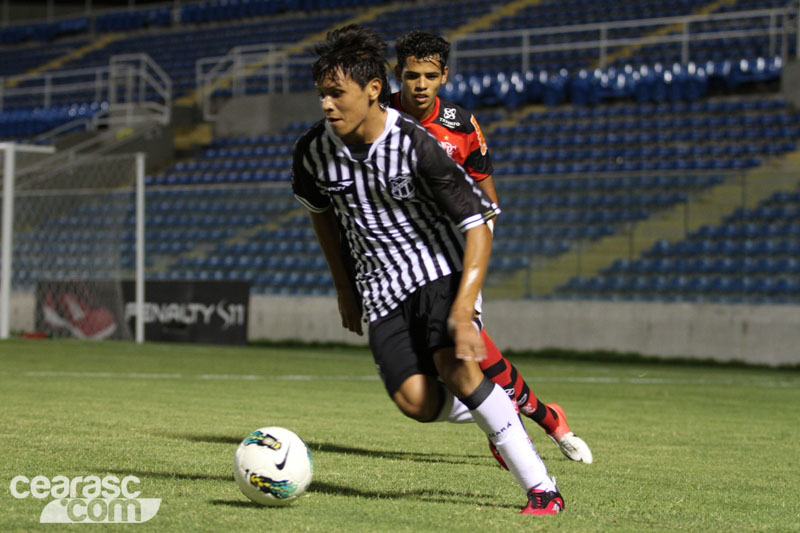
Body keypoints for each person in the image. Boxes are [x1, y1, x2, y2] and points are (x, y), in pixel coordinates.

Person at [292, 24, 564, 515]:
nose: (326, 105)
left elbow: (480, 222)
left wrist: (465, 305)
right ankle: (500, 410)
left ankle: (542, 489)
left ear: (373, 90)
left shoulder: (418, 145)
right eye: (322, 95)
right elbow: (322, 218)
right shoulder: (312, 153)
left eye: (337, 94)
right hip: (379, 288)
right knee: (416, 403)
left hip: (439, 268)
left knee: (455, 369)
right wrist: (345, 289)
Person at [392, 30, 592, 465]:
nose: (420, 85)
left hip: (451, 256)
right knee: (427, 378)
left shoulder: (461, 126)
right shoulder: (380, 116)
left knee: (464, 348)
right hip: (400, 264)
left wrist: (473, 252)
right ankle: (539, 414)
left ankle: (519, 426)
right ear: (398, 75)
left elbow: (487, 199)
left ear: (444, 75)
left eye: (429, 75)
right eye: (411, 75)